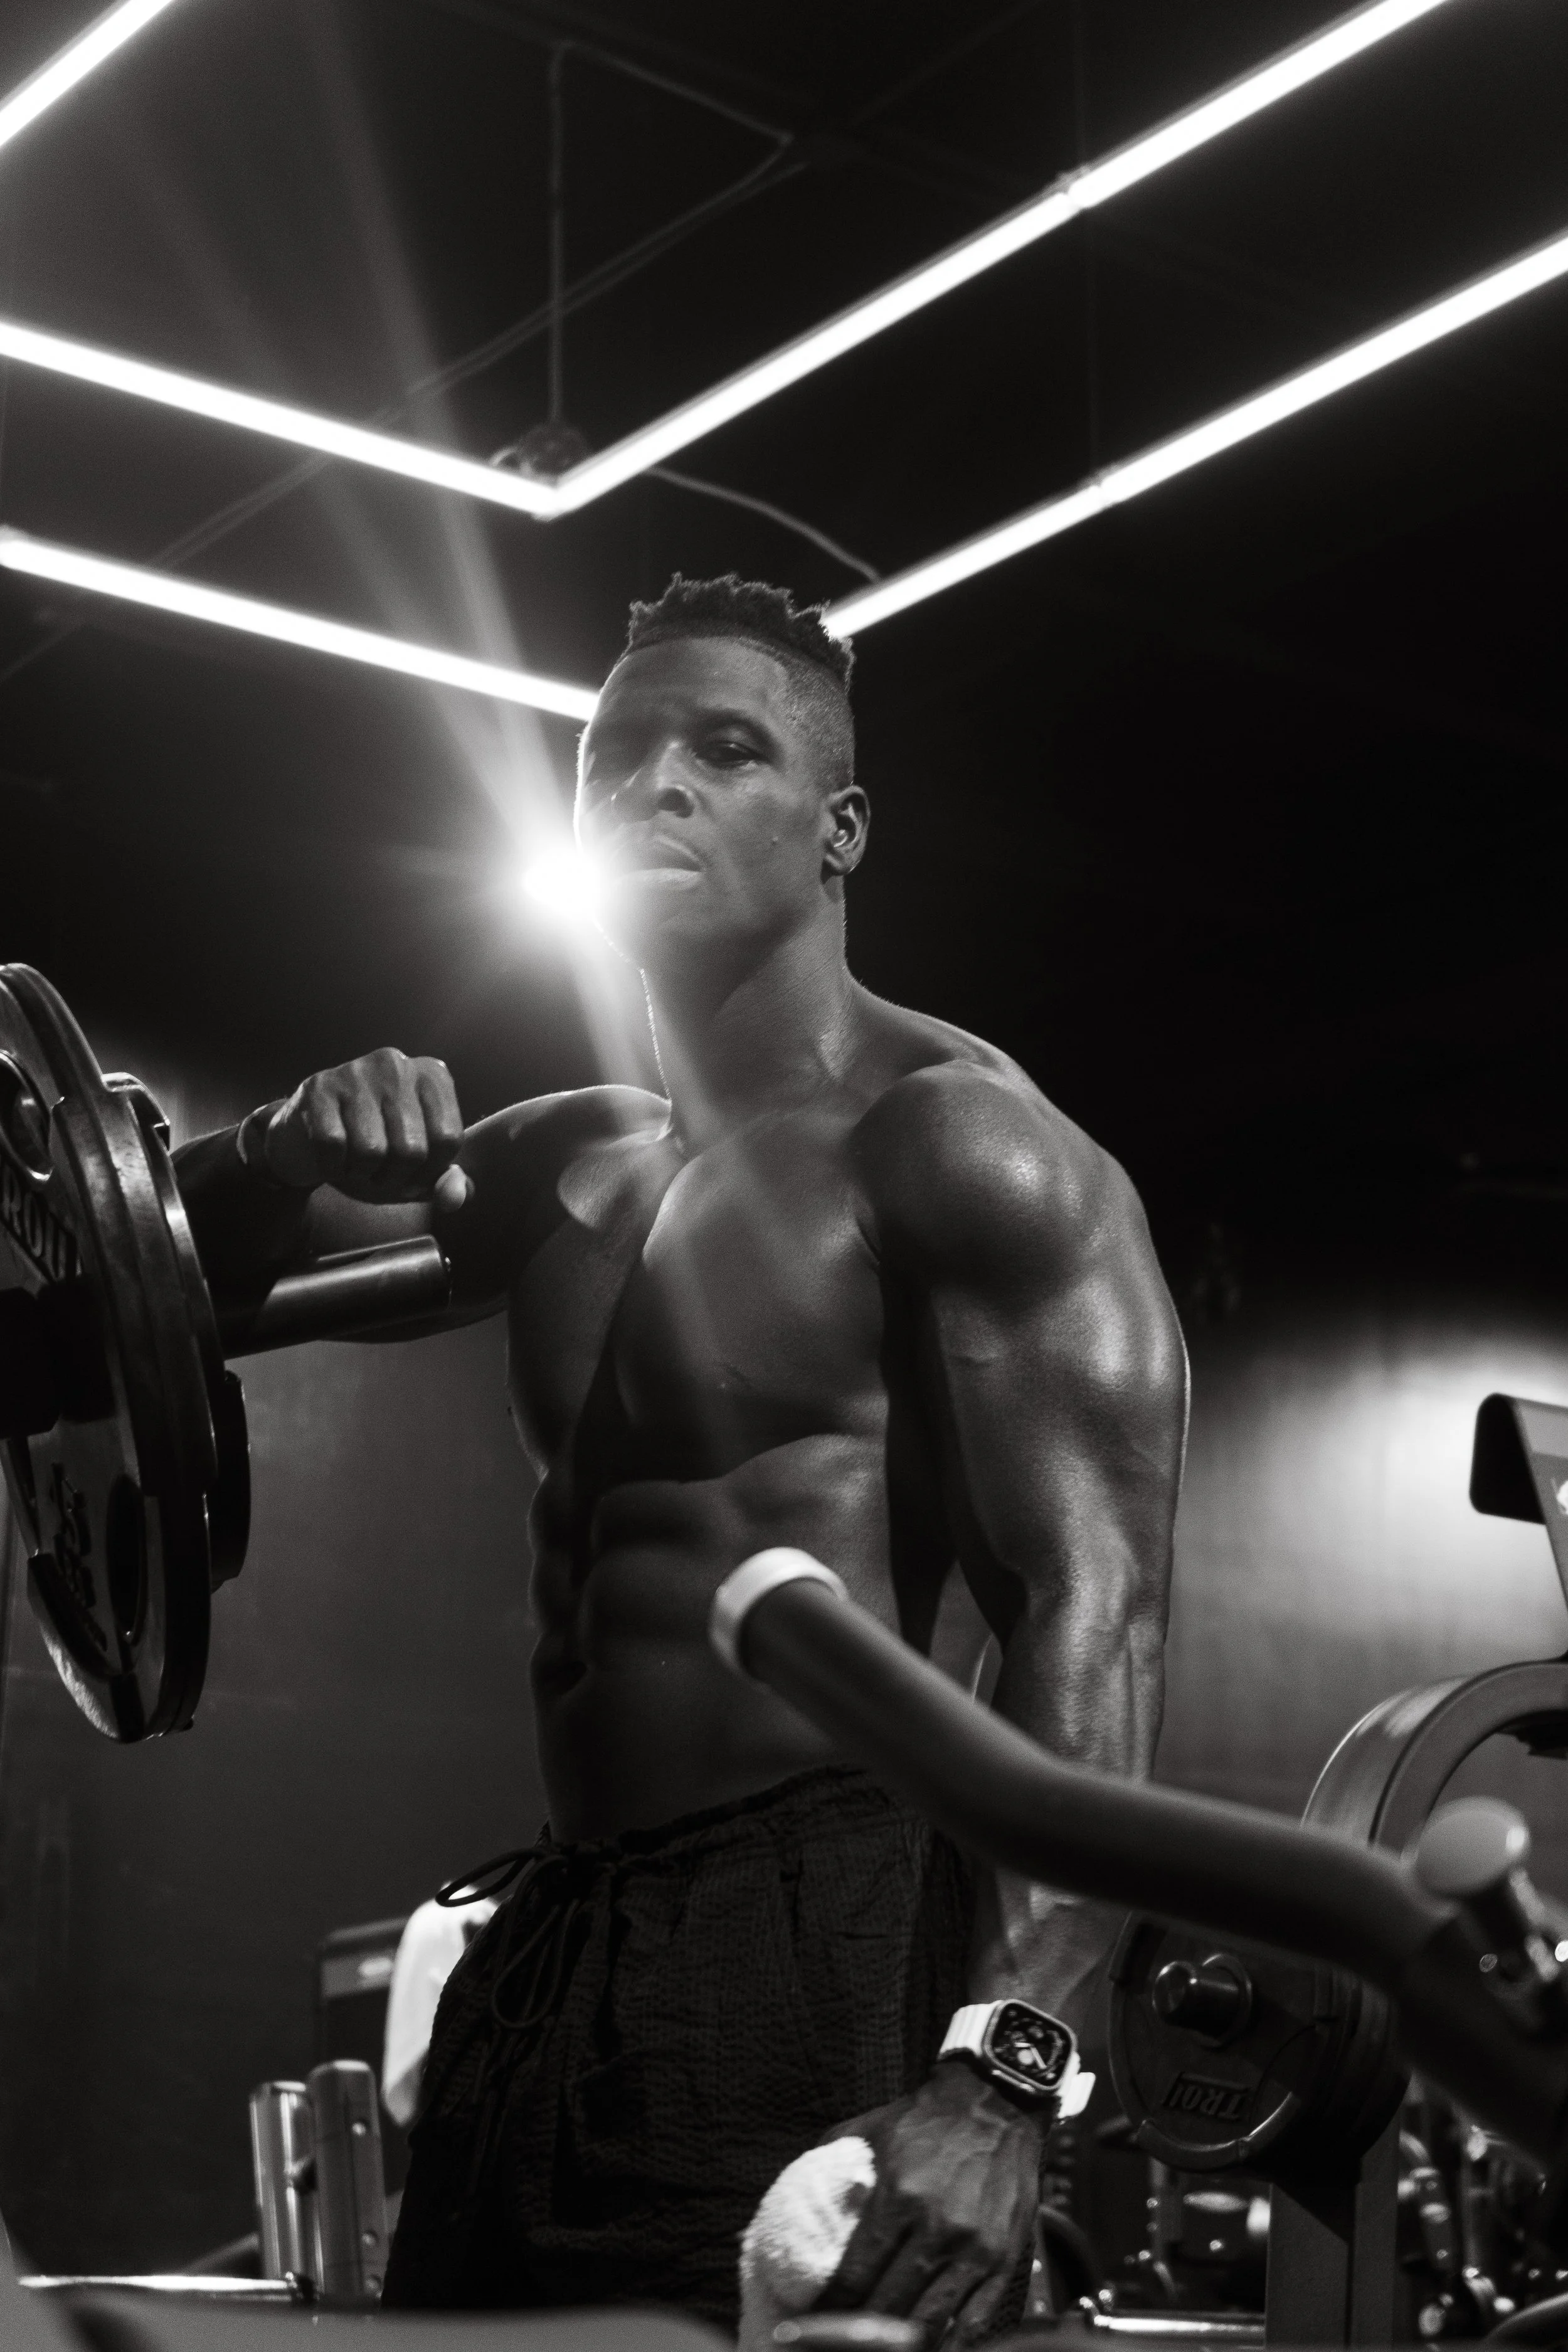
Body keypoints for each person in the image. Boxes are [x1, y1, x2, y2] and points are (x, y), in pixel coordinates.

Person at [176, 575, 1187, 2339]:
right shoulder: (557, 1167)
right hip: (573, 1927)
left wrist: (1005, 2072)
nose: (656, 787)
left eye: (725, 753)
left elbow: (1092, 1609)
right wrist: (271, 1149)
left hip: (840, 1911)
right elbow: (123, 1296)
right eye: (614, 758)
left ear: (837, 827)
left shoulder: (954, 1142)